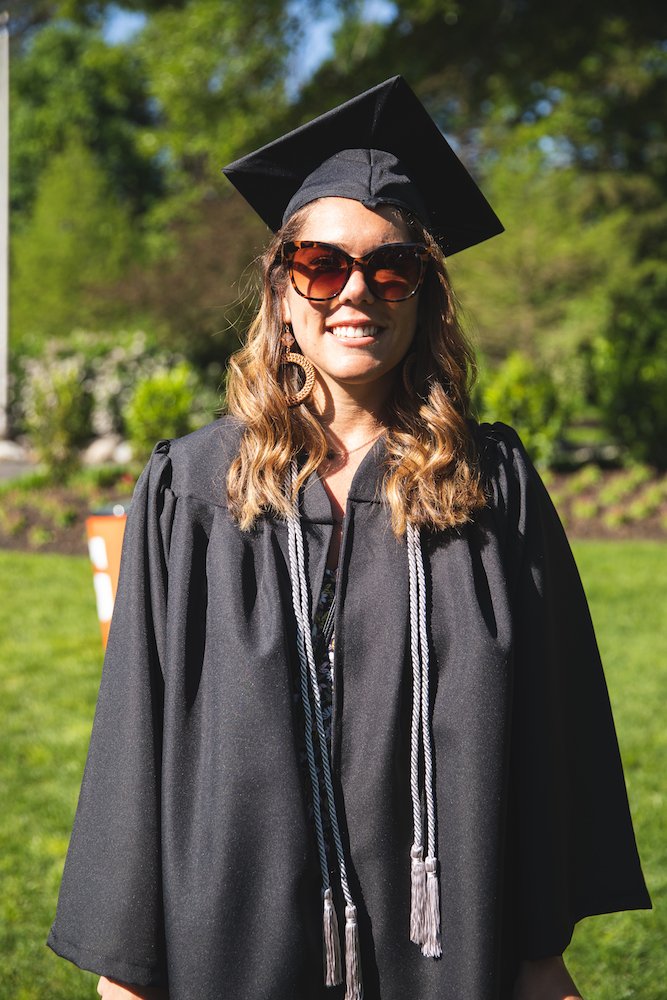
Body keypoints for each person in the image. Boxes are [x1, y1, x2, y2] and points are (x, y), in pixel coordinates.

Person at [48, 77, 650, 1000]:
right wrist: (126, 976)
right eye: (320, 265)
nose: (354, 290)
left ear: (424, 294)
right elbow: (139, 729)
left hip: (448, 945)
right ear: (282, 291)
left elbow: (548, 726)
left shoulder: (491, 489)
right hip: (236, 941)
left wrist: (538, 957)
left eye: (390, 265)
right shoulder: (193, 490)